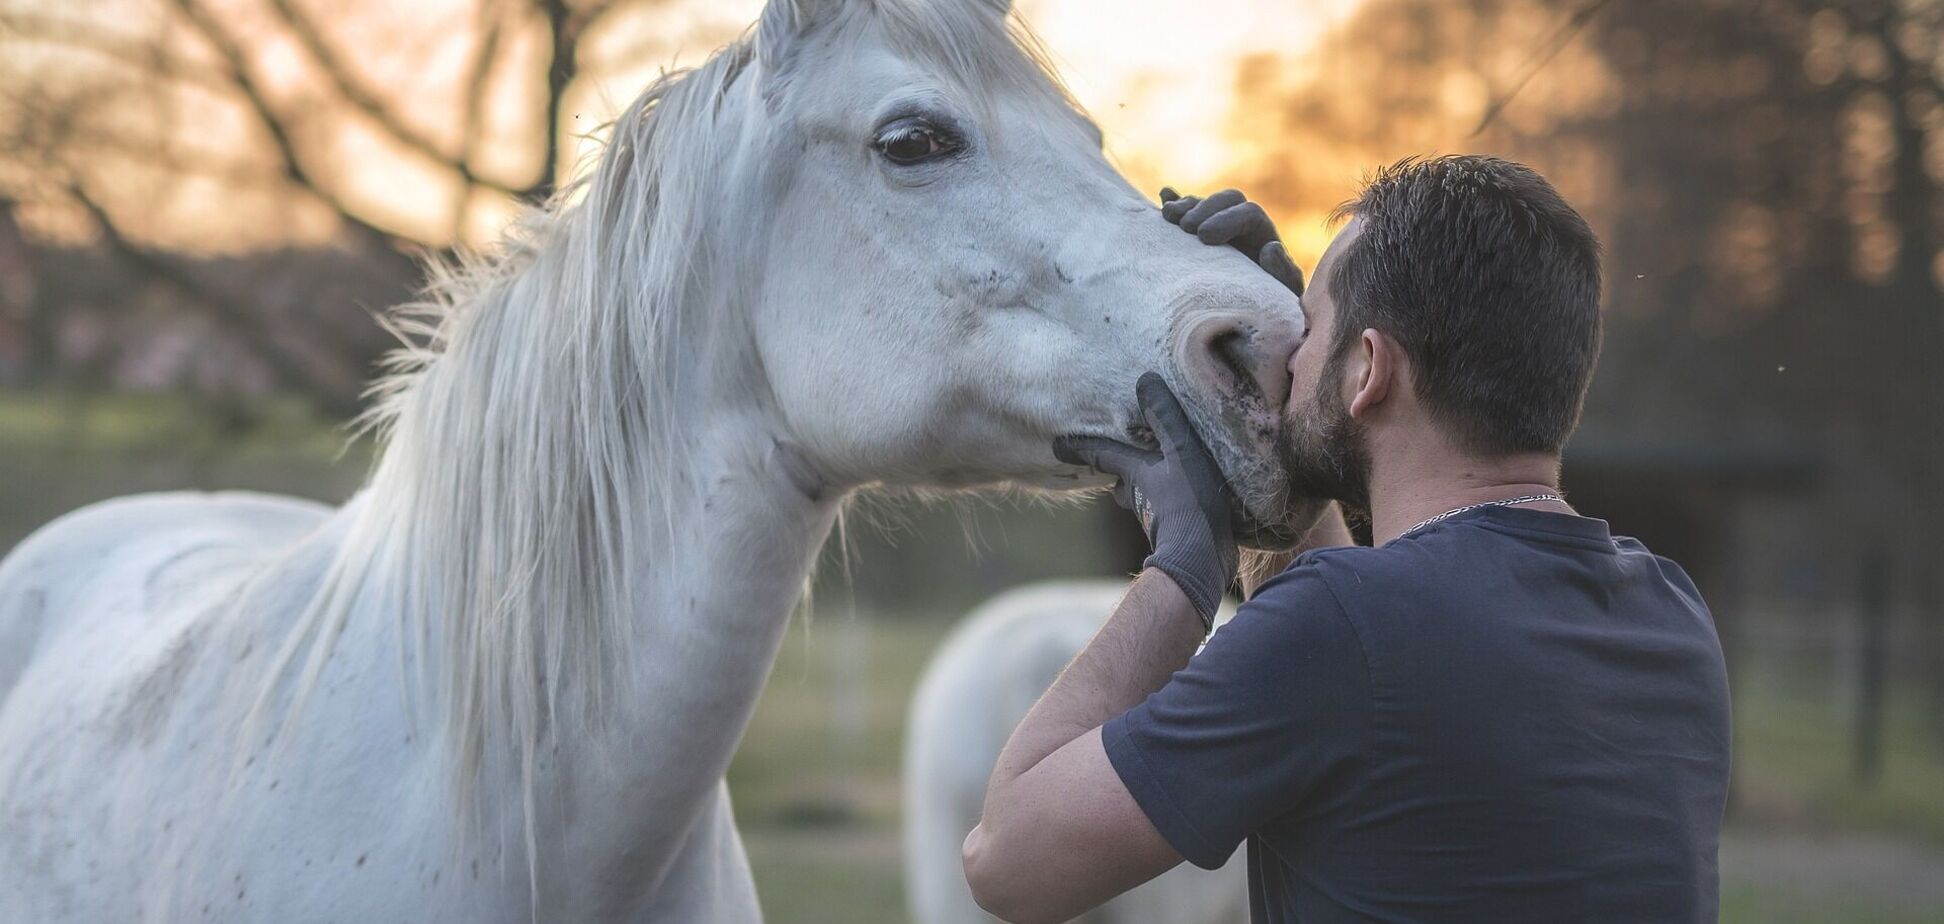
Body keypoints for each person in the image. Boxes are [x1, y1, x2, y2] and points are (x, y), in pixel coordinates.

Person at [960, 155, 1731, 924]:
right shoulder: (1670, 616)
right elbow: (1378, 664)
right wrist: (1280, 433)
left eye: (1312, 326)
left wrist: (1183, 572)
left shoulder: (1341, 630)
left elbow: (1009, 861)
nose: (1291, 356)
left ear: (1369, 369)